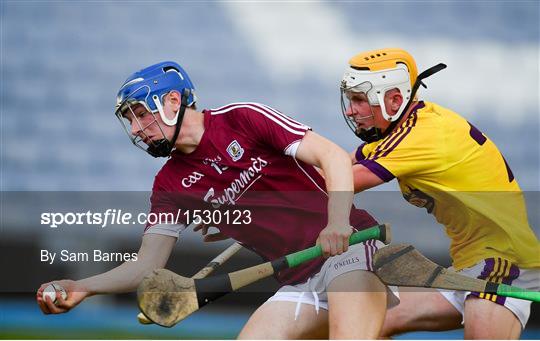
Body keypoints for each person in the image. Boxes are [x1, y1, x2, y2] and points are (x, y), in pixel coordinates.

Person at [36, 61, 397, 339]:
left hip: (347, 251)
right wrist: (82, 286)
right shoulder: (168, 184)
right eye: (130, 121)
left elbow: (332, 156)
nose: (135, 130)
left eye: (141, 115)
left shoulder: (242, 119)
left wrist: (336, 223)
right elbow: (147, 264)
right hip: (296, 278)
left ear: (172, 102)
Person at [339, 47, 540, 339]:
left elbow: (337, 182)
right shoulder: (406, 128)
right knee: (368, 324)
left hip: (504, 264)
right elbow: (337, 165)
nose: (349, 110)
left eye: (358, 100)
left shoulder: (419, 137)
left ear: (394, 99)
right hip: (469, 267)